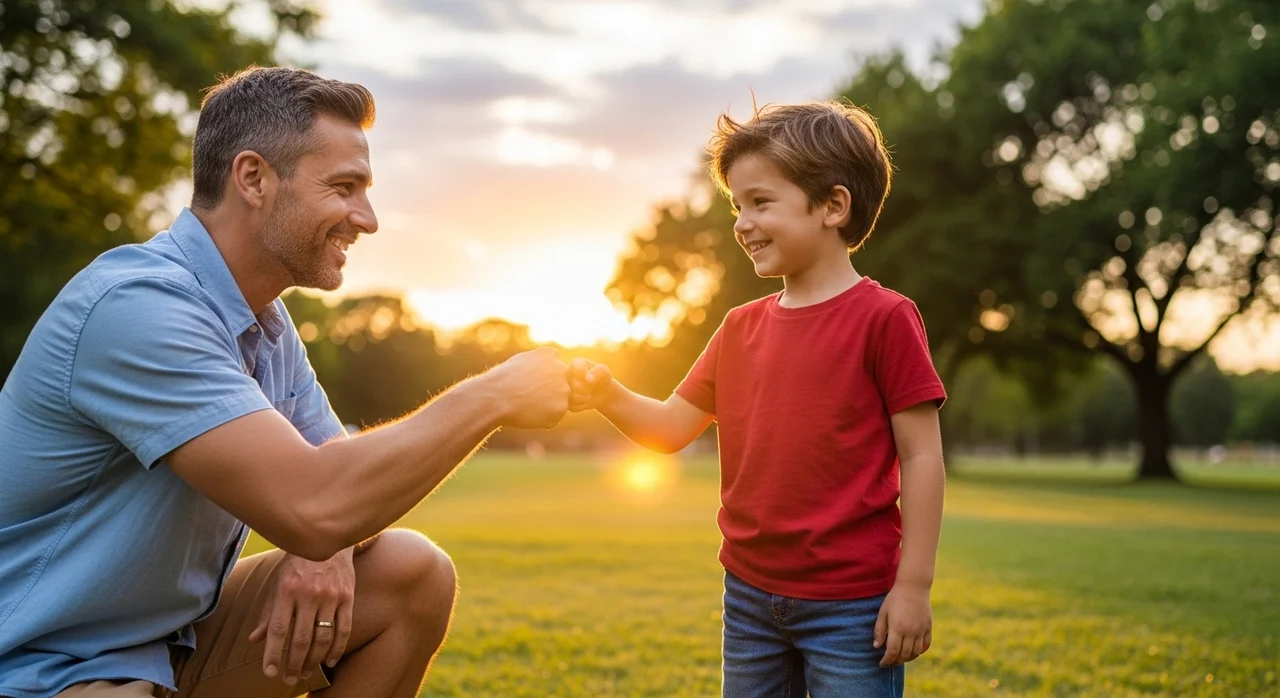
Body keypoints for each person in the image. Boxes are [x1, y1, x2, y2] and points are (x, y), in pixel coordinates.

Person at [0, 66, 570, 698]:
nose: (368, 218)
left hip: (165, 648)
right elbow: (318, 502)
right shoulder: (138, 307)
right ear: (253, 179)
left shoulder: (264, 323)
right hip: (39, 662)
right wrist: (494, 394)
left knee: (411, 574)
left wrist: (322, 544)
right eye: (345, 187)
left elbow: (335, 485)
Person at [568, 101, 947, 697]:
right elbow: (670, 428)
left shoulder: (885, 319)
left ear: (833, 205)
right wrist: (607, 394)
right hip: (748, 596)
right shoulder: (739, 327)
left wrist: (914, 586)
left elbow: (922, 456)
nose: (742, 222)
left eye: (761, 202)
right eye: (738, 206)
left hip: (852, 605)